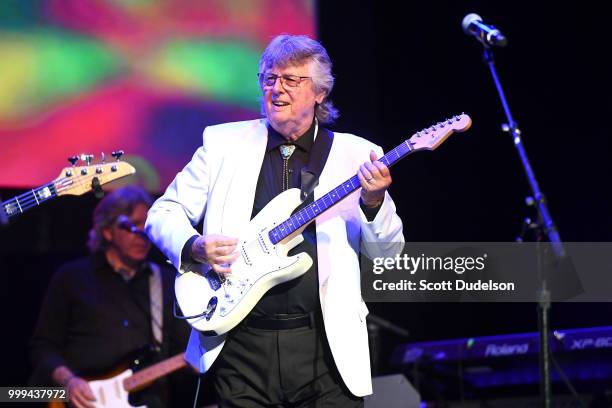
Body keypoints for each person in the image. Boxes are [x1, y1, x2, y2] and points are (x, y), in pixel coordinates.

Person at [145, 34, 405, 407]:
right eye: (269, 78)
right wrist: (195, 246)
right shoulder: (222, 144)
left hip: (326, 349)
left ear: (319, 92)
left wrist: (374, 201)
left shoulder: (358, 154)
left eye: (290, 80)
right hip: (240, 346)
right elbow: (163, 213)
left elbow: (388, 255)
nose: (276, 88)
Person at [30, 186, 194, 408]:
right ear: (107, 231)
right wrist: (68, 381)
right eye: (131, 226)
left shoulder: (165, 282)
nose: (141, 234)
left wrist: (197, 360)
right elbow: (44, 347)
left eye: (145, 226)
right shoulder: (72, 277)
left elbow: (182, 351)